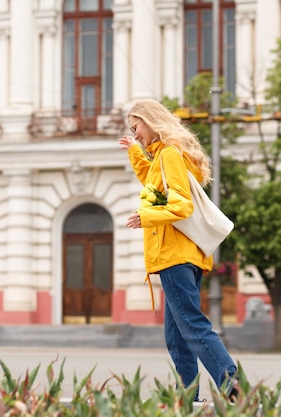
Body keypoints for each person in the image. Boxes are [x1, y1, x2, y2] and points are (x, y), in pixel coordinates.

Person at [119, 98, 239, 402]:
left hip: (175, 256)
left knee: (194, 328)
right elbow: (153, 182)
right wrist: (135, 152)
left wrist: (146, 216)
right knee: (177, 337)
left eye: (137, 128)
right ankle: (188, 400)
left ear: (151, 121)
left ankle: (237, 391)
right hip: (183, 255)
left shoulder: (170, 154)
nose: (137, 135)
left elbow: (181, 205)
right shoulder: (166, 156)